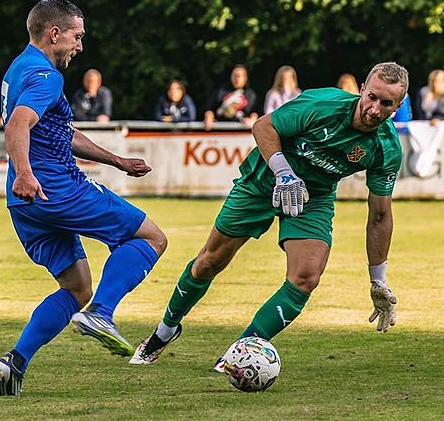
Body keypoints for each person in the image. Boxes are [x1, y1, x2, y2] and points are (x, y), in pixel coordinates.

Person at [130, 62, 407, 368]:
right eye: (372, 97)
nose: (374, 109)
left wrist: (378, 280)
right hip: (264, 181)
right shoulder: (323, 104)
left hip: (313, 197)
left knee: (306, 277)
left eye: (386, 104)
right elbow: (263, 126)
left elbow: (380, 215)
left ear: (398, 106)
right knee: (209, 262)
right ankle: (165, 330)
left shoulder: (386, 147)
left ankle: (237, 355)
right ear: (362, 90)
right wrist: (284, 173)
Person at [0, 0, 168, 396]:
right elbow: (18, 125)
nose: (80, 46)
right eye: (77, 36)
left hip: (25, 202)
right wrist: (27, 172)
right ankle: (101, 314)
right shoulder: (47, 76)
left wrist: (116, 160)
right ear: (55, 33)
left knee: (76, 287)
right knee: (151, 238)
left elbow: (58, 131)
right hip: (56, 188)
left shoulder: (20, 68)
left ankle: (15, 361)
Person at [204, 65, 258, 129]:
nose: (236, 78)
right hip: (221, 129)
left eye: (239, 76)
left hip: (242, 130)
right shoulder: (222, 90)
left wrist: (253, 120)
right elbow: (210, 109)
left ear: (245, 78)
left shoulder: (250, 94)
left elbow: (255, 112)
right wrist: (209, 116)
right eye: (234, 75)